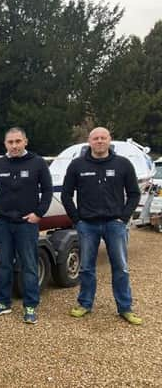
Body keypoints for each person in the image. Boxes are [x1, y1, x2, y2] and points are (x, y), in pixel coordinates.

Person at [61, 127, 142, 325]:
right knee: (87, 267)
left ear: (109, 140)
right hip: (87, 225)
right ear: (89, 141)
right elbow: (66, 195)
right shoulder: (77, 165)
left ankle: (125, 308)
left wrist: (123, 218)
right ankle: (85, 304)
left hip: (115, 225)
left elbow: (134, 194)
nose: (99, 141)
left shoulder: (123, 164)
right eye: (95, 138)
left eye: (103, 138)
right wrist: (77, 220)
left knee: (121, 268)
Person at [0, 127, 53, 324]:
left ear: (25, 142)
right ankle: (3, 303)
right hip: (3, 223)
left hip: (26, 224)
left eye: (18, 141)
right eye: (10, 142)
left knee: (29, 265)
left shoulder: (37, 163)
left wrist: (39, 214)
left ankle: (30, 305)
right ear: (5, 144)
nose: (14, 145)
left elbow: (48, 190)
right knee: (4, 264)